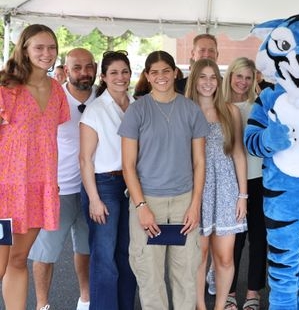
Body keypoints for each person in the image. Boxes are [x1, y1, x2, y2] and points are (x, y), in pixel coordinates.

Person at [118, 50, 208, 309]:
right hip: (148, 203)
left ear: (175, 73)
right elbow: (128, 166)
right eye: (154, 72)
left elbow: (199, 161)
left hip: (183, 202)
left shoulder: (191, 109)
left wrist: (195, 204)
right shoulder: (137, 111)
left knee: (185, 276)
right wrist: (141, 208)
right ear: (147, 76)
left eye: (166, 71)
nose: (161, 77)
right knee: (150, 277)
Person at [0, 24, 70, 310]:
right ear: (25, 49)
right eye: (39, 47)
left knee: (19, 259)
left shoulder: (56, 90)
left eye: (51, 47)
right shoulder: (6, 88)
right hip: (4, 190)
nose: (46, 53)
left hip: (38, 190)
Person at [28, 48, 97, 310]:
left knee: (86, 249)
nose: (84, 72)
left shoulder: (102, 97)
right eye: (76, 67)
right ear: (66, 70)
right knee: (44, 253)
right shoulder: (52, 97)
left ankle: (85, 300)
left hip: (93, 190)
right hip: (58, 189)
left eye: (88, 66)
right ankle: (43, 305)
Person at [186, 58, 248, 310]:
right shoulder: (184, 110)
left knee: (224, 257)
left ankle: (220, 306)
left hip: (225, 188)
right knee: (198, 256)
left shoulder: (230, 111)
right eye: (203, 76)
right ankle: (200, 306)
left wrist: (242, 195)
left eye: (213, 77)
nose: (208, 82)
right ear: (194, 79)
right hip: (195, 190)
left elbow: (238, 154)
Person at [79, 50, 137, 309]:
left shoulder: (137, 105)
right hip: (103, 186)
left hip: (132, 185)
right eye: (113, 72)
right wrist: (93, 199)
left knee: (127, 255)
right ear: (103, 77)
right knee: (104, 258)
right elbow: (85, 159)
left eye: (124, 71)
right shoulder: (94, 110)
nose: (120, 77)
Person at [222, 57, 267, 310]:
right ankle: (228, 292)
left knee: (259, 239)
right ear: (230, 76)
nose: (243, 82)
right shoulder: (220, 105)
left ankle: (253, 293)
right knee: (232, 240)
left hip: (258, 180)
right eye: (239, 76)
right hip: (229, 183)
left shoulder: (258, 107)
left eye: (248, 77)